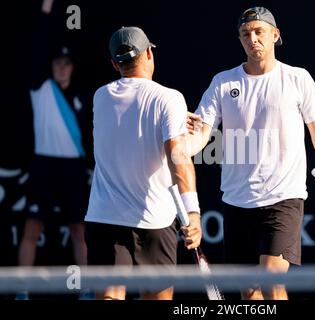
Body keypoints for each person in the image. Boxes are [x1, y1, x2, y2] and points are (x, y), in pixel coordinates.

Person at [187, 7, 315, 300]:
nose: (252, 39)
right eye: (245, 34)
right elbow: (202, 134)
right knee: (249, 294)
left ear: (275, 35)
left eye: (259, 32)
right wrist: (180, 148)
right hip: (237, 201)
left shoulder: (298, 78)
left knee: (271, 282)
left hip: (283, 197)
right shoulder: (222, 83)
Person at [84, 26, 202, 300]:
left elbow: (129, 111)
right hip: (154, 220)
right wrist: (192, 211)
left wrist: (171, 114)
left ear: (115, 64)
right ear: (149, 53)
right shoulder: (169, 99)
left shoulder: (100, 97)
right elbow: (179, 157)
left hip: (104, 219)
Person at [17, 0, 92, 299]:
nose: (61, 68)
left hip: (73, 168)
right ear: (50, 66)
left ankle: (86, 290)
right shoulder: (40, 87)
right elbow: (38, 46)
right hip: (44, 166)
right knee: (32, 229)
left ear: (72, 67)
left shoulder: (81, 97)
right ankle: (22, 290)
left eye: (66, 63)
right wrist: (46, 10)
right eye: (57, 63)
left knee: (79, 231)